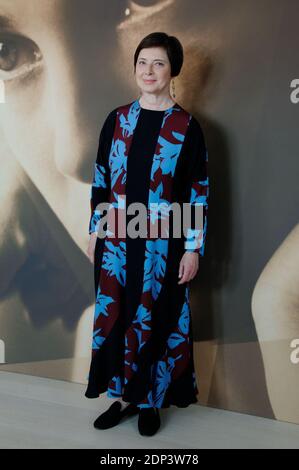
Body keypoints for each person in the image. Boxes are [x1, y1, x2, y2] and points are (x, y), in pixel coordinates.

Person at [85, 32, 209, 437]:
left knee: (157, 319)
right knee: (118, 316)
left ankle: (152, 401)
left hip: (164, 245)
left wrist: (193, 249)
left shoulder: (187, 127)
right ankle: (121, 397)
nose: (149, 71)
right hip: (118, 242)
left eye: (158, 63)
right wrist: (95, 231)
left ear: (173, 69)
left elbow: (197, 192)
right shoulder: (118, 119)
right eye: (142, 62)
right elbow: (101, 179)